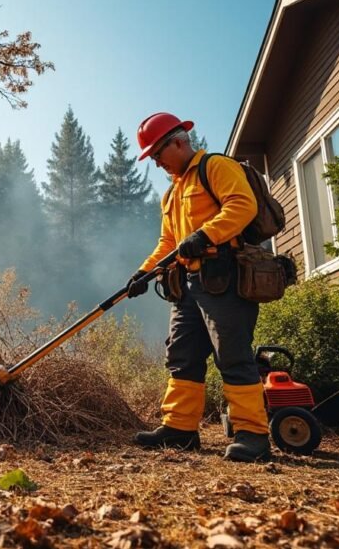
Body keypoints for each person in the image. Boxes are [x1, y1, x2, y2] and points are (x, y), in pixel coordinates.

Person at [126, 112, 270, 462]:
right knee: (182, 354)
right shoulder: (172, 193)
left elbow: (243, 206)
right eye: (153, 158)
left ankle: (253, 435)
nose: (158, 164)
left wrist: (205, 235)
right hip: (187, 284)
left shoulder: (216, 167)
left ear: (178, 142)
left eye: (158, 155)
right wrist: (144, 272)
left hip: (225, 277)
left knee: (232, 354)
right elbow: (169, 242)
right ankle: (180, 429)